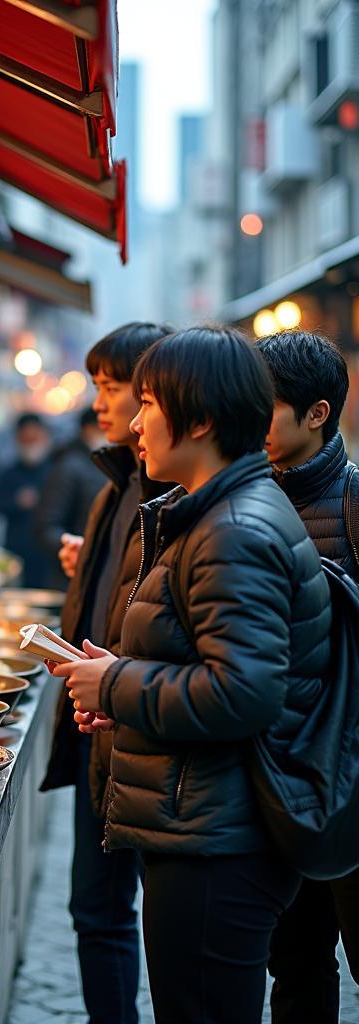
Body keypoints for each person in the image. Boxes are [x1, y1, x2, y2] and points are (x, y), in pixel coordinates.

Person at [52, 326, 331, 1024]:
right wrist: (123, 695)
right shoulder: (204, 512)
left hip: (218, 840)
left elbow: (244, 691)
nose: (135, 420)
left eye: (147, 401)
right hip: (198, 820)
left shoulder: (234, 527)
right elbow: (204, 662)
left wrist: (117, 683)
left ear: (201, 420)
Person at [39, 321, 173, 1024]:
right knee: (95, 909)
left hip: (149, 731)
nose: (103, 400)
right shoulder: (113, 484)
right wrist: (86, 564)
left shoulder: (181, 497)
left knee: (165, 932)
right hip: (98, 722)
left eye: (116, 386)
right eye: (99, 384)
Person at [256, 329, 358, 1023]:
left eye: (264, 407)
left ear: (316, 413)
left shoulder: (354, 500)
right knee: (294, 968)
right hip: (274, 779)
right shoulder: (244, 499)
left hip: (351, 777)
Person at [35, 405, 107, 564]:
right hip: (73, 567)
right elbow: (47, 524)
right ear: (88, 430)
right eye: (103, 429)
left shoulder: (105, 464)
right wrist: (76, 549)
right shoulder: (69, 466)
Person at [0, 413, 54, 587]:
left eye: (34, 439)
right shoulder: (9, 473)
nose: (30, 446)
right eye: (25, 440)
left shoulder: (56, 471)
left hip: (48, 554)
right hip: (16, 548)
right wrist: (17, 502)